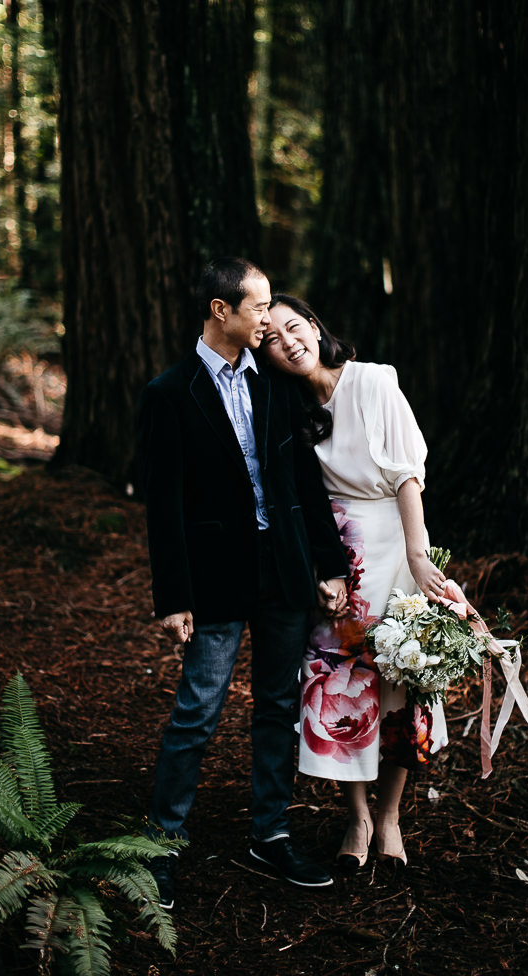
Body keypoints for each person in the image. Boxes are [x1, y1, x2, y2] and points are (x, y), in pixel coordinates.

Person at [139, 259, 349, 910]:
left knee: (278, 709)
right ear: (219, 310)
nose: (268, 318)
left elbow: (303, 483)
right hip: (213, 581)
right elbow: (163, 504)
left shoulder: (276, 387)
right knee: (198, 711)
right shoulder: (169, 394)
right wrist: (173, 598)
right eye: (258, 307)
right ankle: (160, 846)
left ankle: (271, 832)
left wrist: (330, 562)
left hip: (284, 572)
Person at [261, 293, 449, 872]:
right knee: (342, 684)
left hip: (392, 547)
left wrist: (418, 555)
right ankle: (357, 814)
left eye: (294, 327)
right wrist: (323, 567)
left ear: (315, 326)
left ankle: (390, 815)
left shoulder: (372, 382)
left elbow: (406, 473)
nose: (288, 341)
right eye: (270, 338)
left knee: (400, 678)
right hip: (335, 559)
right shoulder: (286, 408)